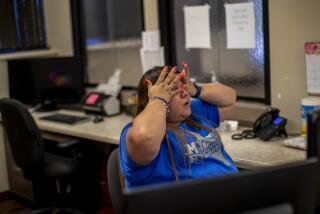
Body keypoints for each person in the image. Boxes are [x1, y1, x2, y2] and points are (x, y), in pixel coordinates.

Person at [119, 63, 238, 189]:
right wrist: (158, 99)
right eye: (173, 90)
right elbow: (145, 137)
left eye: (183, 87)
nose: (184, 94)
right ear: (152, 99)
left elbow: (230, 99)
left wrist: (195, 90)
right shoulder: (135, 133)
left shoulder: (192, 113)